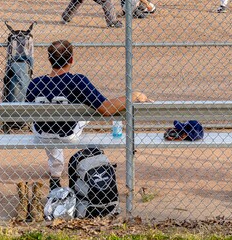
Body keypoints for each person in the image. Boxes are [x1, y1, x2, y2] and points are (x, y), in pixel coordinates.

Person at [26, 40, 151, 190]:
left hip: (42, 132)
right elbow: (106, 109)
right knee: (87, 109)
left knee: (49, 120)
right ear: (71, 60)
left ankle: (55, 174)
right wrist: (134, 96)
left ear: (49, 60)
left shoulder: (35, 83)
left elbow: (28, 111)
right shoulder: (77, 80)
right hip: (68, 133)